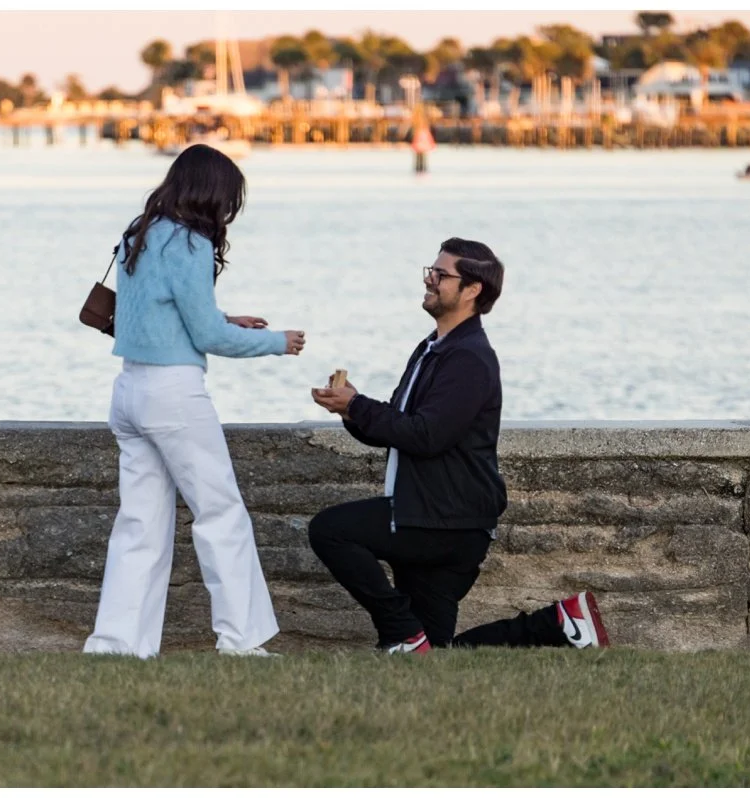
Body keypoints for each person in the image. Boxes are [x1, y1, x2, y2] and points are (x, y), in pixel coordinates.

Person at [308, 237, 609, 654]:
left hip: (446, 520)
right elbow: (400, 426)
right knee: (435, 652)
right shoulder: (432, 349)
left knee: (330, 530)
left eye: (441, 274)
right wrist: (351, 412)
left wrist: (358, 406)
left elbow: (427, 436)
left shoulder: (469, 358)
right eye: (430, 271)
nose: (429, 280)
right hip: (435, 514)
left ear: (472, 290)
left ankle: (400, 631)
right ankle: (560, 622)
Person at [84, 144, 307, 659]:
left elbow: (157, 313)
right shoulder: (192, 243)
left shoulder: (139, 233)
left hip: (129, 391)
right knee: (220, 513)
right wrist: (276, 342)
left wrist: (227, 318)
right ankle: (240, 640)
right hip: (173, 395)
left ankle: (115, 644)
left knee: (140, 524)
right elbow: (207, 337)